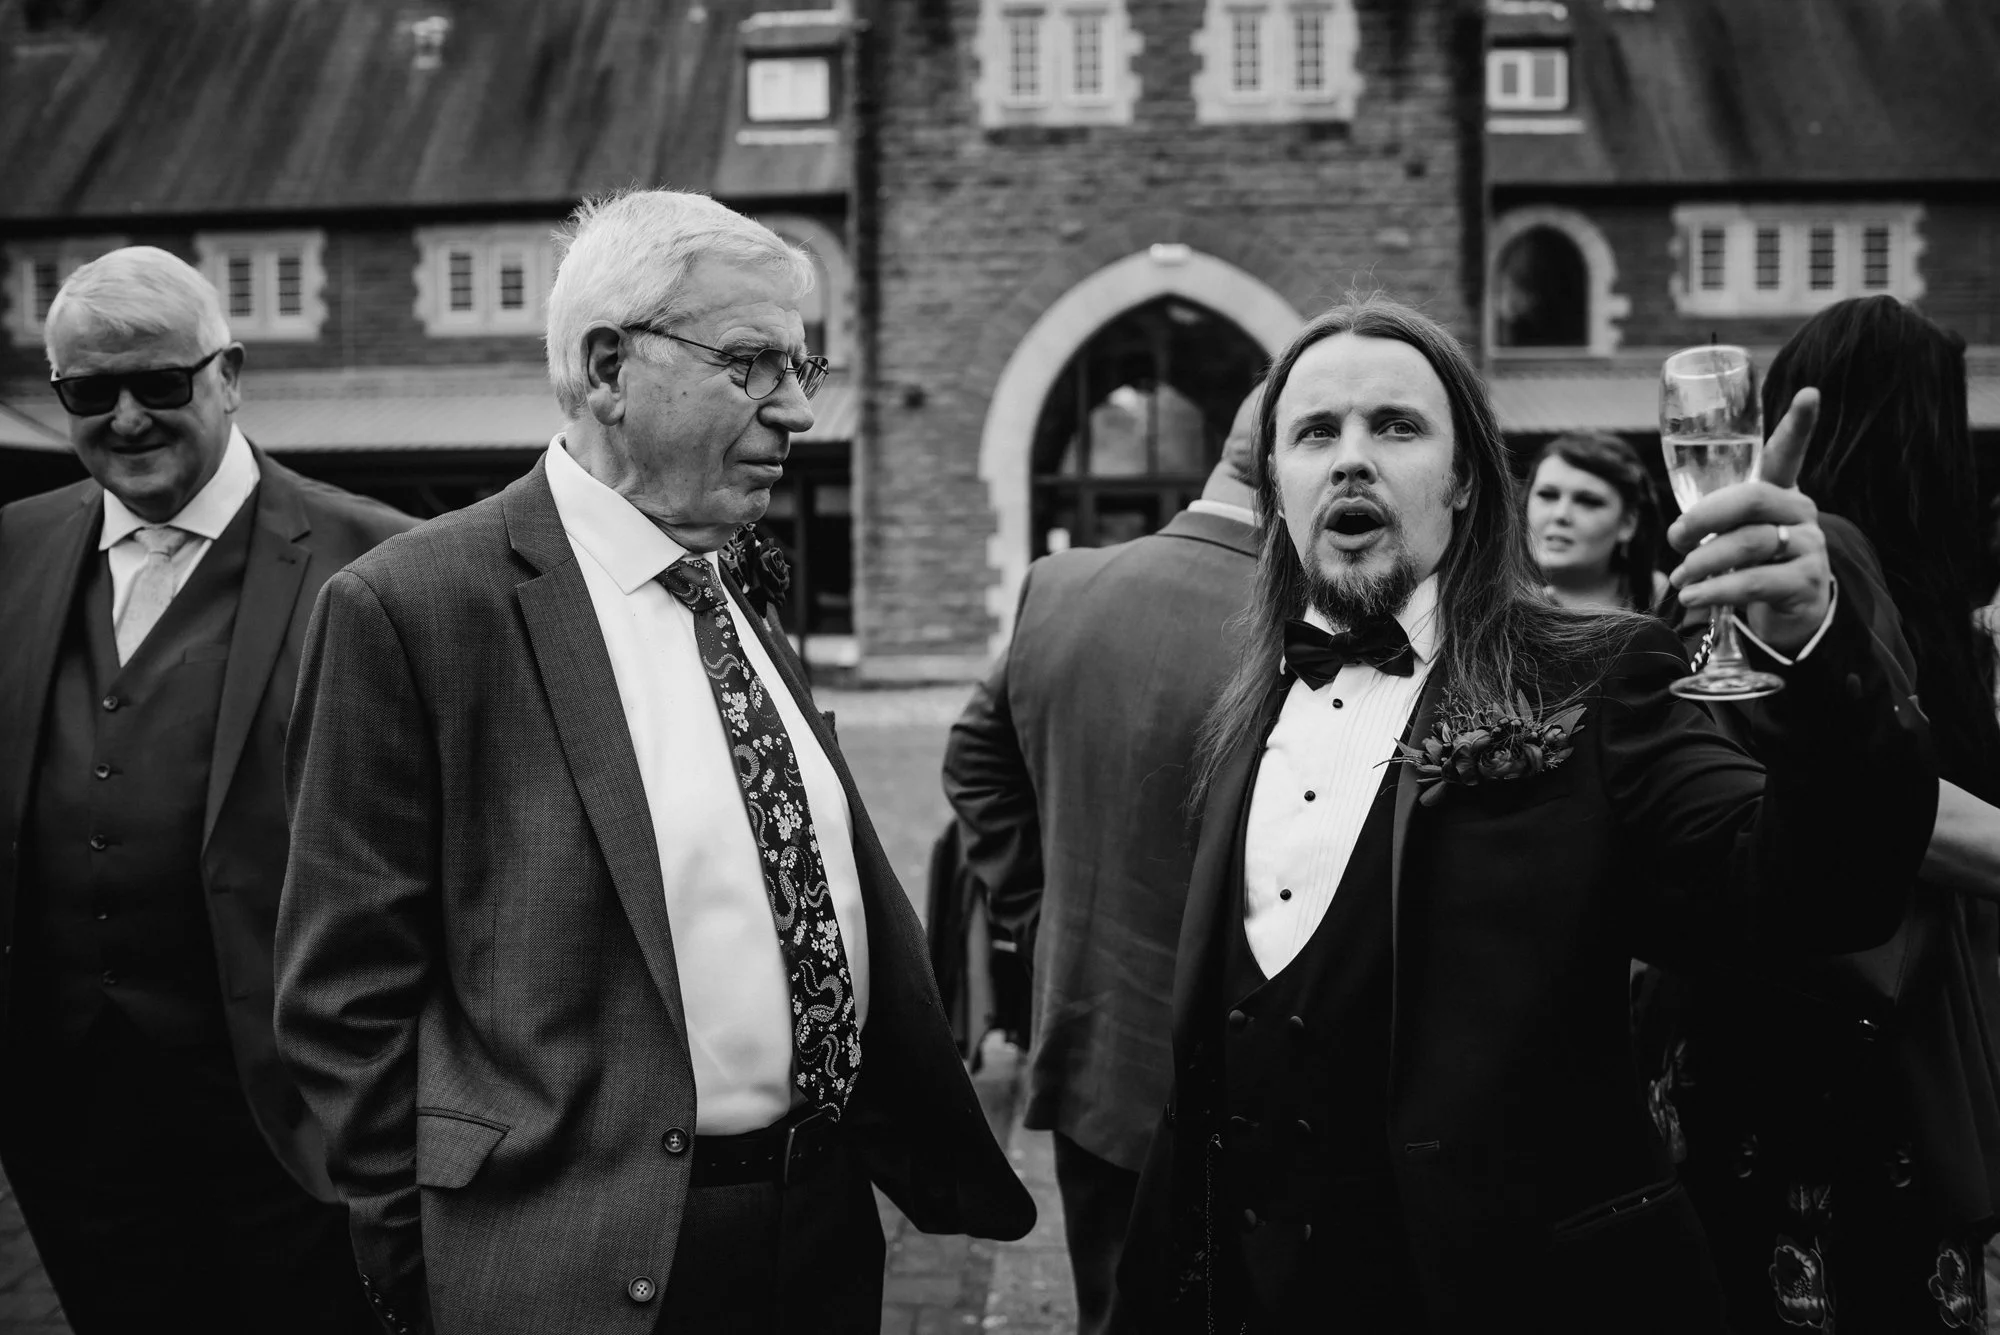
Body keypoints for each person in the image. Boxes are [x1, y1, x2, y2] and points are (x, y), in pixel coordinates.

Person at [272, 190, 1033, 1335]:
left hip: (821, 1230)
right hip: (574, 1257)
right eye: (749, 365)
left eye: (799, 368)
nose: (795, 410)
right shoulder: (414, 608)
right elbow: (344, 997)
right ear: (606, 368)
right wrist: (422, 1262)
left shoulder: (728, 579)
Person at [1113, 295, 1937, 1333]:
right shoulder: (1242, 715)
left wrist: (1817, 657)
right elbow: (1204, 1083)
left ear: (1464, 479)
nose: (1351, 457)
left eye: (1395, 426)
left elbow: (1816, 895)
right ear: (1276, 485)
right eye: (1315, 432)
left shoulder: (1596, 676)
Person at [0, 246, 414, 1333]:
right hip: (70, 1126)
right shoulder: (12, 549)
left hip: (291, 1124)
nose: (127, 417)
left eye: (159, 382)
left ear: (228, 375)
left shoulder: (381, 564)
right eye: (90, 393)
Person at [1637, 295, 2000, 1332]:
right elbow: (1846, 787)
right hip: (1833, 1034)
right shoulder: (1805, 564)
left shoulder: (1870, 570)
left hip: (1831, 1014)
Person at [943, 382, 1264, 1335]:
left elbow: (974, 759)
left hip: (1092, 1039)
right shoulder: (1313, 622)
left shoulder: (1061, 585)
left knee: (1113, 1308)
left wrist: (1044, 916)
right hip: (1252, 1082)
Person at [1525, 430, 1668, 612]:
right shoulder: (1504, 613)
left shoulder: (1665, 599)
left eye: (1588, 501)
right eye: (1547, 495)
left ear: (1627, 523)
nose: (1560, 514)